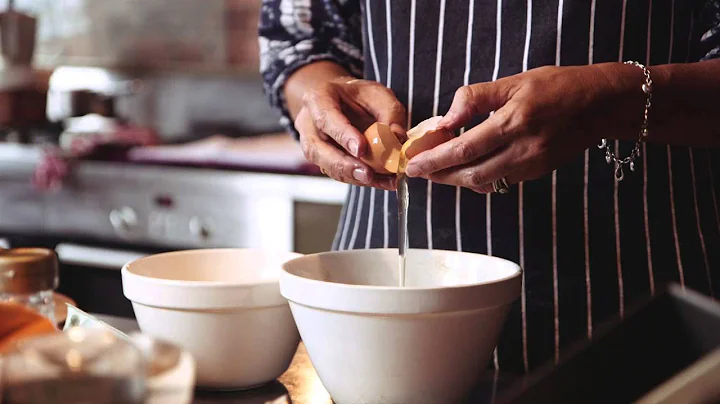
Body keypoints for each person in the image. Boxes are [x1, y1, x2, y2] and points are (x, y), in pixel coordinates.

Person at [259, 0, 720, 373]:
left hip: (632, 305)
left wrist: (610, 99)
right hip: (378, 324)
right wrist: (321, 98)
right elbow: (299, 39)